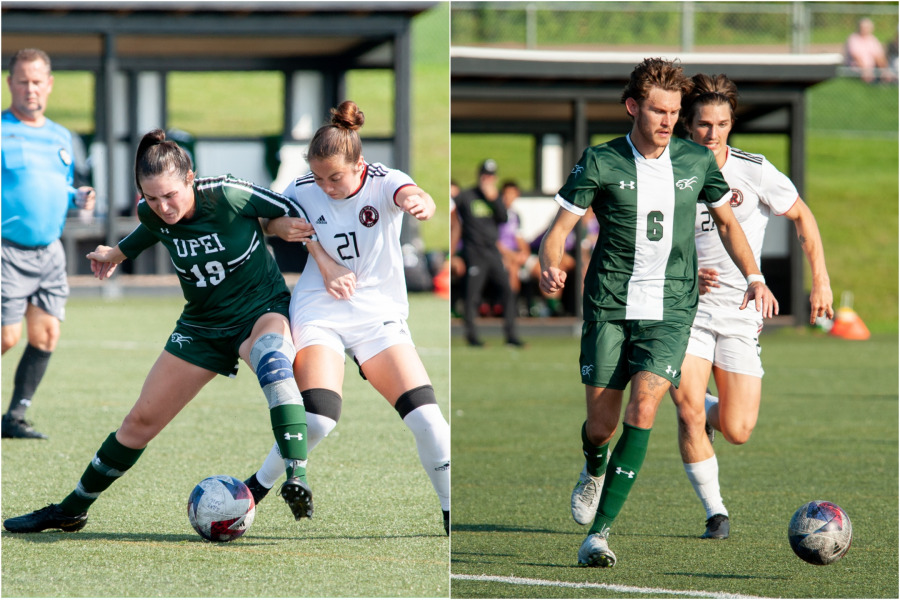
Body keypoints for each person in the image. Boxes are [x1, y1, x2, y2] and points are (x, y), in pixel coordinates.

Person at [2, 128, 343, 533]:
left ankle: (296, 476)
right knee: (139, 423)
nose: (163, 206)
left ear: (190, 178)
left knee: (273, 360)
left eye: (171, 195)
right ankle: (71, 509)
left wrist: (276, 227)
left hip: (260, 310)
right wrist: (115, 252)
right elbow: (150, 230)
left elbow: (289, 209)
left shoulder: (228, 193)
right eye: (152, 198)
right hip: (200, 326)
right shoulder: (154, 213)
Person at [539, 57, 778, 568]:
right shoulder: (600, 161)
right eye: (658, 110)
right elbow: (558, 230)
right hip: (609, 305)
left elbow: (730, 225)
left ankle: (599, 535)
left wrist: (755, 278)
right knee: (601, 427)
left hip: (671, 309)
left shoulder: (695, 161)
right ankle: (593, 464)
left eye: (674, 111)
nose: (668, 120)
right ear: (633, 107)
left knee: (643, 410)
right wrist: (549, 264)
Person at [242, 101, 451, 535]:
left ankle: (451, 513)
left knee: (430, 422)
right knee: (318, 418)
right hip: (320, 309)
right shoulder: (303, 187)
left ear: (360, 164)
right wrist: (281, 230)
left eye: (335, 177)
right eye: (319, 177)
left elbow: (412, 194)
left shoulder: (384, 181)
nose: (326, 186)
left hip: (378, 315)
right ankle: (254, 491)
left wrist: (420, 201)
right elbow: (268, 219)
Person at [669, 73, 833, 539]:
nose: (713, 133)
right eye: (703, 124)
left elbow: (802, 216)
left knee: (738, 428)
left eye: (722, 123)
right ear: (688, 124)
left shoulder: (754, 169)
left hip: (742, 310)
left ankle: (694, 400)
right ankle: (715, 512)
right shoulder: (669, 169)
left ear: (731, 122)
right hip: (687, 308)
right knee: (688, 415)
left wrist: (820, 282)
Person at [1, 48, 96, 439]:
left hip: (50, 253)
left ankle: (14, 418)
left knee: (46, 336)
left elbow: (60, 184)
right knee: (7, 337)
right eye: (22, 80)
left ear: (50, 84)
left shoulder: (62, 137)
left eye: (37, 81)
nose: (30, 88)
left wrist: (79, 196)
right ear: (10, 83)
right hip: (7, 250)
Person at [454, 160, 524, 347]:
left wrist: (493, 198)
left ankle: (511, 335)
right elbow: (454, 222)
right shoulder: (467, 196)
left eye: (491, 176)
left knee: (508, 291)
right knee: (472, 295)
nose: (487, 179)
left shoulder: (495, 197)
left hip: (492, 253)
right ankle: (472, 336)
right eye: (485, 175)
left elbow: (503, 218)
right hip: (474, 252)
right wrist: (453, 254)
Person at [844, 17, 893, 83]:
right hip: (857, 69)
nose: (865, 29)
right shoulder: (853, 39)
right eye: (863, 27)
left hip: (872, 68)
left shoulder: (872, 39)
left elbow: (879, 56)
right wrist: (866, 71)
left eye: (867, 27)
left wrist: (884, 70)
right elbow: (856, 57)